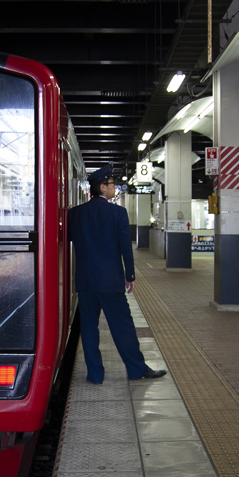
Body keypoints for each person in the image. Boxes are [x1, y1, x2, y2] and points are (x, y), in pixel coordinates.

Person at [68, 164, 167, 384]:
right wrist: (130, 275)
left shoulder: (76, 214)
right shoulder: (118, 213)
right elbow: (125, 248)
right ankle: (136, 369)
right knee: (122, 326)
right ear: (102, 188)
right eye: (112, 184)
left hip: (85, 282)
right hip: (110, 281)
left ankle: (95, 374)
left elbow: (68, 239)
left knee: (89, 328)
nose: (115, 187)